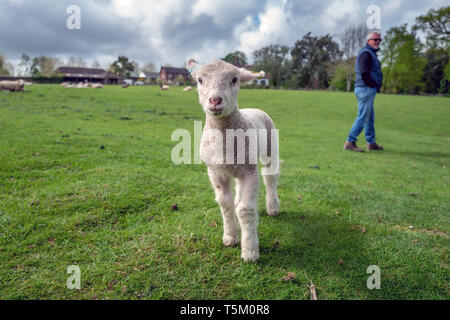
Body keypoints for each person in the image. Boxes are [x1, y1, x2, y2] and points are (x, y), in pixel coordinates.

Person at [344, 31, 384, 152]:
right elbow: (364, 72)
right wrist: (372, 84)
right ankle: (350, 142)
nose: (377, 42)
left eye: (379, 40)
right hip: (365, 89)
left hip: (368, 89)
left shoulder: (371, 54)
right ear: (368, 41)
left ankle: (371, 143)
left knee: (370, 117)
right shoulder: (366, 54)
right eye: (375, 40)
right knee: (363, 117)